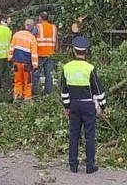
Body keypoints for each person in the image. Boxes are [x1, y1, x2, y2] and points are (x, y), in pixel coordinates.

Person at [61, 36, 106, 174]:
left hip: (73, 105)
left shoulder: (66, 67)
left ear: (74, 51)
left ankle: (73, 165)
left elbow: (64, 91)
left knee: (74, 134)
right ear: (85, 52)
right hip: (87, 105)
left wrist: (67, 107)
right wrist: (103, 106)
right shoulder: (90, 68)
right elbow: (98, 90)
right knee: (89, 135)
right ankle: (90, 166)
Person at [9, 19, 39, 103]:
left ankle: (17, 99)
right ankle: (27, 101)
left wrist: (10, 59)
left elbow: (11, 49)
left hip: (16, 62)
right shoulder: (32, 38)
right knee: (27, 83)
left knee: (17, 81)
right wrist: (35, 65)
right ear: (32, 27)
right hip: (27, 64)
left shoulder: (16, 35)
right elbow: (34, 54)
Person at [33, 11, 57, 96]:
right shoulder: (53, 27)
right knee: (49, 76)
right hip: (50, 54)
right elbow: (56, 41)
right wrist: (55, 52)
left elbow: (32, 39)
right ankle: (49, 94)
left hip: (39, 54)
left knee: (36, 75)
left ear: (40, 18)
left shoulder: (37, 27)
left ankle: (35, 94)